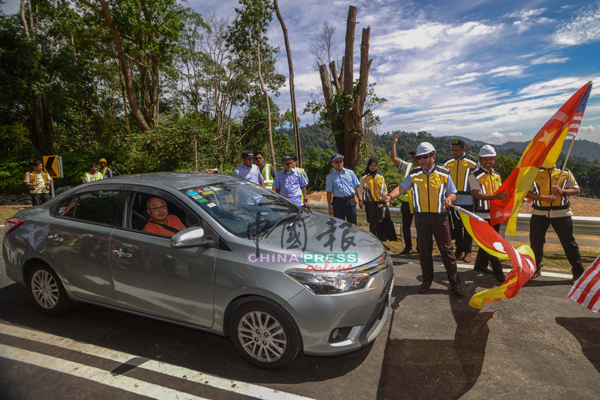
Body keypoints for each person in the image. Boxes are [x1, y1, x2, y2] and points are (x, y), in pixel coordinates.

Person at [378, 142, 463, 297]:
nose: (422, 160)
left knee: (447, 251)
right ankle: (427, 280)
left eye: (425, 156)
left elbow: (453, 192)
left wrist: (450, 199)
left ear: (433, 157)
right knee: (424, 251)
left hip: (440, 217)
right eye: (419, 157)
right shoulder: (414, 174)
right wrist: (390, 196)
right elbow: (402, 187)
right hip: (421, 217)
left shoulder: (444, 173)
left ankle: (455, 284)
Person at [527, 165, 585, 283]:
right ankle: (535, 268)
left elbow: (576, 190)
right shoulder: (534, 171)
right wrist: (544, 198)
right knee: (536, 242)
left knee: (569, 244)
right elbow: (526, 192)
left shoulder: (565, 171)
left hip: (562, 212)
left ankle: (578, 272)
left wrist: (563, 191)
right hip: (539, 212)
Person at [468, 145, 508, 282]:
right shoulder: (473, 175)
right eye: (485, 159)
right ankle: (498, 272)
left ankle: (480, 265)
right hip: (481, 215)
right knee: (492, 244)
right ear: (480, 160)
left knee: (487, 243)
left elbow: (501, 193)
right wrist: (497, 198)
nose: (488, 162)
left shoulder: (496, 175)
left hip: (495, 215)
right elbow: (478, 195)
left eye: (491, 159)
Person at [444, 139, 478, 263]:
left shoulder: (473, 162)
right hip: (453, 199)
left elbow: (479, 176)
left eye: (457, 150)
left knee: (468, 227)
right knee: (457, 226)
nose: (455, 152)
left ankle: (468, 251)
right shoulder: (447, 162)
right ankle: (459, 249)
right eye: (453, 150)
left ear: (463, 149)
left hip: (468, 199)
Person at [391, 133, 418, 254]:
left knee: (420, 226)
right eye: (412, 156)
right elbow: (394, 159)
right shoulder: (408, 166)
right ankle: (408, 247)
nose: (413, 158)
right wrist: (393, 144)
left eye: (415, 156)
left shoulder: (425, 169)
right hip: (406, 202)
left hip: (418, 202)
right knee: (406, 226)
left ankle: (420, 247)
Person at [326, 154, 363, 224]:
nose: (339, 163)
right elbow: (329, 193)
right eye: (336, 162)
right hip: (338, 203)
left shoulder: (350, 173)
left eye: (341, 161)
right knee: (339, 225)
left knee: (353, 224)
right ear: (332, 164)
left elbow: (356, 187)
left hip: (350, 201)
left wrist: (360, 200)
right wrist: (330, 207)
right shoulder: (330, 177)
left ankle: (352, 235)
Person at [359, 157, 388, 237]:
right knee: (372, 223)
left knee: (379, 222)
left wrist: (386, 200)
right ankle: (372, 240)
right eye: (371, 165)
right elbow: (360, 189)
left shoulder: (381, 176)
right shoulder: (364, 176)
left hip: (379, 203)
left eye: (375, 165)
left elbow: (385, 189)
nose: (373, 167)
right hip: (369, 203)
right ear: (368, 165)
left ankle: (379, 240)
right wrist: (363, 189)